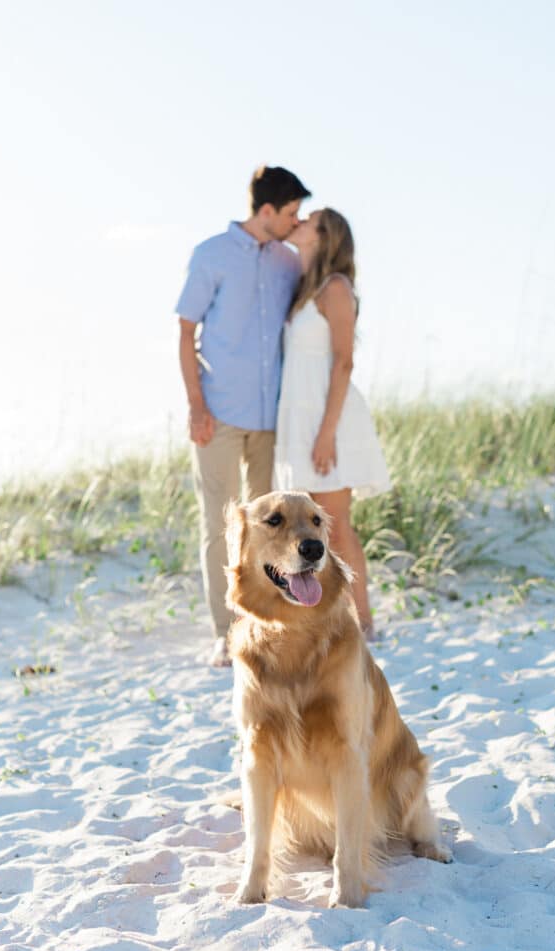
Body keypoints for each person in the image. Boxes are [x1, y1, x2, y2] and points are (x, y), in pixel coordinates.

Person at [175, 166, 311, 666]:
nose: (296, 222)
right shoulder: (211, 255)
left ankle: (268, 621)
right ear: (267, 210)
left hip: (270, 417)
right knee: (221, 522)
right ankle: (225, 630)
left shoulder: (287, 263)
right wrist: (195, 403)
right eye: (291, 212)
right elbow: (185, 330)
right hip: (219, 413)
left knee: (272, 526)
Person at [273, 208, 391, 640]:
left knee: (335, 523)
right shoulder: (304, 287)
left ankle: (363, 622)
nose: (299, 220)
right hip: (299, 416)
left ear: (325, 237)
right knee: (306, 527)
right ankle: (325, 617)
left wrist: (326, 433)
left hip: (330, 418)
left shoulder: (335, 287)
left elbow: (344, 362)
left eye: (311, 220)